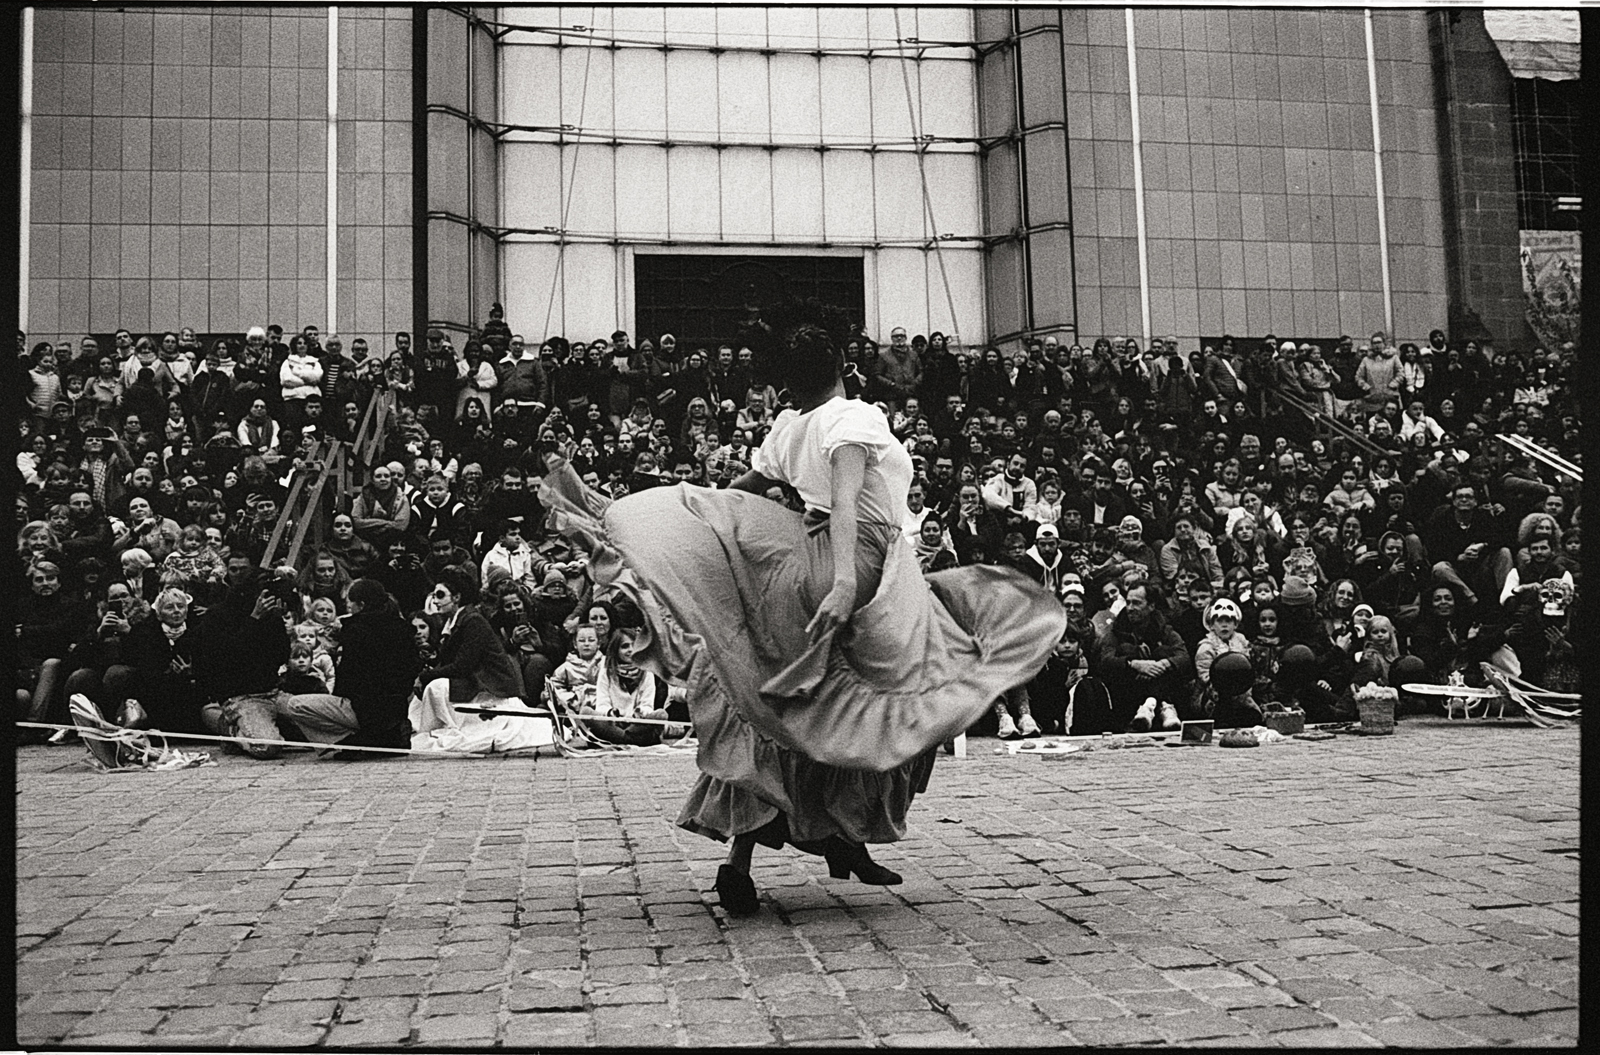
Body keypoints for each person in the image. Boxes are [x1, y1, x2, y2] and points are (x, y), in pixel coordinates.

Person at [538, 322, 1063, 917]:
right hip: (858, 561)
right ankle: (849, 832)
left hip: (796, 555)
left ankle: (758, 857)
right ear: (844, 364)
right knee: (906, 688)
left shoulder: (788, 429)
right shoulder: (853, 417)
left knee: (780, 702)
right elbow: (845, 503)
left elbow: (743, 489)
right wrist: (844, 582)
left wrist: (681, 518)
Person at [279, 578, 421, 756]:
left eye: (350, 604)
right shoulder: (402, 629)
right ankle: (381, 736)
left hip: (364, 709)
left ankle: (356, 741)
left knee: (295, 705)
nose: (348, 609)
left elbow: (348, 680)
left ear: (360, 605)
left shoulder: (356, 632)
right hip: (396, 709)